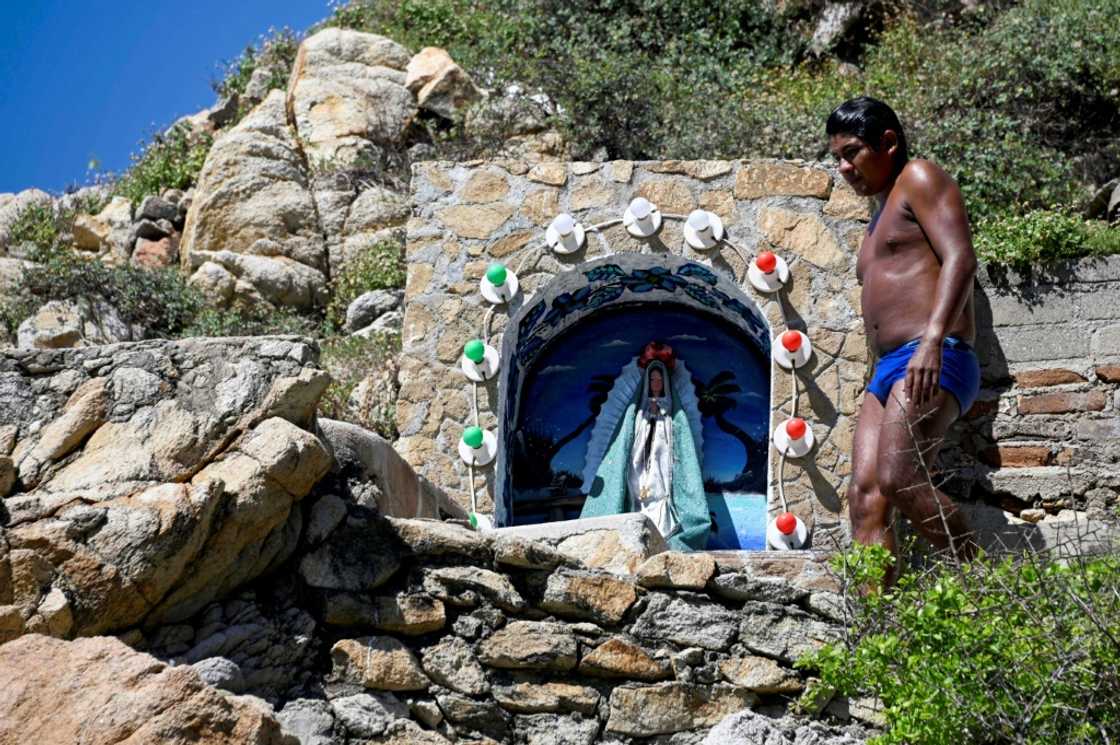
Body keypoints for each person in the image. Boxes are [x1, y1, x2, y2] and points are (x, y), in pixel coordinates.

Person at [827, 96, 980, 584]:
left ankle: (987, 588)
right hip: (889, 367)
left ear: (887, 143)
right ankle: (878, 637)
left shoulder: (919, 177)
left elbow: (961, 258)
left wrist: (933, 340)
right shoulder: (875, 221)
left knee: (900, 478)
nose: (844, 167)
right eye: (836, 158)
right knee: (864, 497)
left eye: (852, 152)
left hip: (935, 353)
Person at [579, 341, 710, 550]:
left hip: (661, 460)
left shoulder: (674, 414)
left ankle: (661, 537)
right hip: (639, 461)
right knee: (637, 488)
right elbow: (628, 438)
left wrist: (663, 415)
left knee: (659, 493)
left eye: (659, 379)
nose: (656, 383)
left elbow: (677, 439)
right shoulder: (636, 412)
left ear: (665, 382)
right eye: (652, 379)